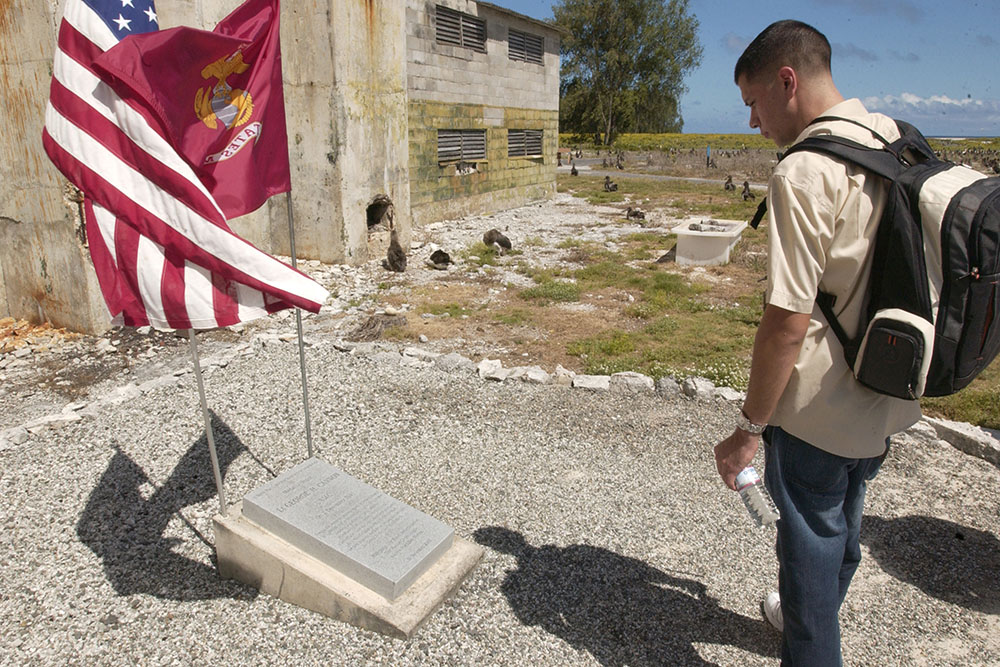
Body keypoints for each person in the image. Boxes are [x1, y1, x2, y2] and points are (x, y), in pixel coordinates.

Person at [712, 20, 922, 666]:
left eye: (753, 103)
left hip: (819, 417)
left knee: (808, 549)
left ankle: (811, 641)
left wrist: (750, 427)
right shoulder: (897, 140)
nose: (752, 121)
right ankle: (811, 618)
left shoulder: (804, 173)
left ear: (786, 81)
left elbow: (787, 323)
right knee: (844, 529)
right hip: (887, 394)